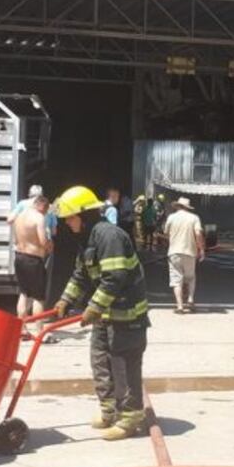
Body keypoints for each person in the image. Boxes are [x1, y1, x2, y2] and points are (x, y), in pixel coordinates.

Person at [53, 185, 150, 441]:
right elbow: (81, 275)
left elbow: (114, 278)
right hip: (106, 315)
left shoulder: (109, 236)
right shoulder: (88, 239)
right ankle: (109, 410)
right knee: (100, 362)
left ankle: (129, 419)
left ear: (83, 214)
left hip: (127, 315)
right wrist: (65, 300)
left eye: (70, 218)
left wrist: (93, 307)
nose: (67, 223)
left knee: (123, 367)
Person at [13, 195, 56, 342]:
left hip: (19, 257)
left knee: (24, 293)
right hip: (33, 260)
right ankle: (39, 332)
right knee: (39, 297)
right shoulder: (39, 218)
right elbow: (43, 241)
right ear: (42, 206)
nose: (45, 213)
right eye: (46, 210)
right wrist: (49, 244)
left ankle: (22, 330)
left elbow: (15, 239)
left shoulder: (19, 216)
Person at [164, 197, 205, 314]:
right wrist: (201, 249)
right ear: (187, 207)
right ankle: (191, 299)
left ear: (177, 206)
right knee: (190, 277)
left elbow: (166, 233)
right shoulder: (194, 218)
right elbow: (198, 233)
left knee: (176, 280)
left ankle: (180, 306)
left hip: (174, 252)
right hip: (190, 252)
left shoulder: (171, 217)